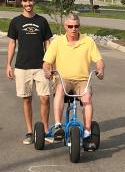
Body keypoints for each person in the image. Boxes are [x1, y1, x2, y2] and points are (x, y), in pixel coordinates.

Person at [42, 13, 105, 143]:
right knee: (59, 89)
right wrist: (47, 71)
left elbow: (99, 60)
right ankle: (59, 125)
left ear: (79, 26)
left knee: (87, 97)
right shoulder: (58, 42)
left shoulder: (88, 41)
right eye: (70, 26)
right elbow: (47, 62)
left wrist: (100, 70)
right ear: (65, 26)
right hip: (63, 79)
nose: (73, 29)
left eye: (76, 26)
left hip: (82, 80)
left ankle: (87, 130)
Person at [6, 0, 54, 144]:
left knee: (45, 98)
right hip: (22, 67)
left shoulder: (42, 21)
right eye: (25, 1)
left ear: (34, 2)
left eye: (30, 1)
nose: (28, 4)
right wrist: (8, 65)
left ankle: (46, 130)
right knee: (26, 99)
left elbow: (48, 42)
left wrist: (50, 63)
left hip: (41, 67)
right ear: (21, 3)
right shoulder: (15, 22)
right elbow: (12, 43)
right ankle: (29, 132)